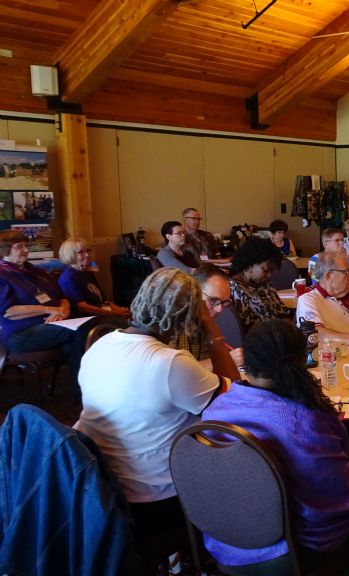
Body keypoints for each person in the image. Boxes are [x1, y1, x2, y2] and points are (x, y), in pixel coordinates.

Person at [74, 268, 239, 566]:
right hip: (155, 501)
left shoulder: (99, 346)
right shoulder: (170, 363)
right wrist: (210, 330)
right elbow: (236, 399)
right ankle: (220, 556)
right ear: (189, 314)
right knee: (246, 464)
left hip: (102, 489)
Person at [201, 319, 349, 572]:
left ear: (246, 361)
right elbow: (337, 500)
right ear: (300, 362)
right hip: (294, 549)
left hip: (227, 543)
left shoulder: (214, 411)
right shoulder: (307, 422)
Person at [0, 232, 82, 384]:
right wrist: (49, 310)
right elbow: (8, 312)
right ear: (4, 251)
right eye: (19, 247)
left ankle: (84, 395)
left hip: (55, 324)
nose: (26, 250)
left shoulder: (35, 271)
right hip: (20, 334)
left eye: (27, 246)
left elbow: (62, 297)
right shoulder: (2, 275)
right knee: (83, 331)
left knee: (75, 344)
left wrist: (63, 310)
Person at [295, 250, 349, 349]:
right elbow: (314, 332)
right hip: (338, 359)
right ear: (329, 276)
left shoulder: (348, 298)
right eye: (346, 272)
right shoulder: (308, 299)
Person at [57, 237, 130, 318]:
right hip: (87, 319)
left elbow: (103, 302)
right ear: (70, 255)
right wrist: (116, 314)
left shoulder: (87, 273)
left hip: (103, 314)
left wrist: (120, 310)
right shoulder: (69, 277)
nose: (87, 254)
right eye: (81, 252)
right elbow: (83, 308)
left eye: (88, 250)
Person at [228, 237, 288, 333]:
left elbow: (281, 312)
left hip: (278, 335)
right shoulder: (235, 289)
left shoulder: (265, 283)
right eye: (265, 270)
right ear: (250, 264)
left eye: (271, 271)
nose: (269, 275)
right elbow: (246, 331)